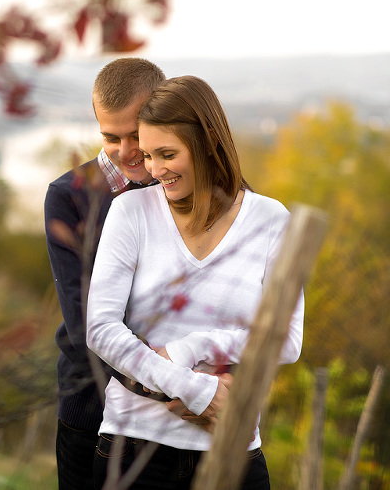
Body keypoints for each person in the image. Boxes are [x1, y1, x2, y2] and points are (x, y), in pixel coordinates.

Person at [86, 75, 304, 490]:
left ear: (207, 143)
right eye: (148, 155)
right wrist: (193, 389)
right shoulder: (131, 212)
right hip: (133, 447)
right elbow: (100, 329)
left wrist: (192, 348)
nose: (154, 170)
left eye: (167, 154)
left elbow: (288, 340)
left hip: (232, 449)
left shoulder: (272, 221)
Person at [44, 58, 165, 490]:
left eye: (136, 134)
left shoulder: (183, 185)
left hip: (180, 413)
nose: (126, 150)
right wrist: (168, 385)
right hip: (92, 401)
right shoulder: (68, 197)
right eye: (110, 137)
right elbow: (83, 324)